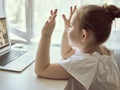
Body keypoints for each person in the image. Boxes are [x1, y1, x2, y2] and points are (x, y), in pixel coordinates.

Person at [35, 4, 120, 90]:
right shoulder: (102, 51)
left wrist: (46, 35)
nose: (69, 28)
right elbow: (66, 53)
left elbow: (42, 70)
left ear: (83, 35)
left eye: (71, 26)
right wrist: (67, 29)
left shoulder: (87, 63)